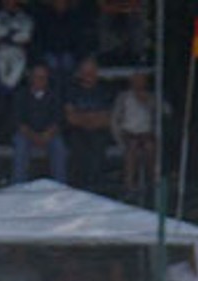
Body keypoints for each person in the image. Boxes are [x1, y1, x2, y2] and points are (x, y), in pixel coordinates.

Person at [62, 56, 115, 192]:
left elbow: (107, 118)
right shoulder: (71, 89)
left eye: (91, 72)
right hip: (76, 130)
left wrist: (84, 117)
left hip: (99, 130)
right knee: (77, 144)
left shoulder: (106, 88)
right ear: (79, 73)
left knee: (98, 145)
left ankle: (96, 187)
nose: (88, 75)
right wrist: (90, 117)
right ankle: (77, 187)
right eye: (85, 72)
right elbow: (70, 117)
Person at [11, 62, 67, 183]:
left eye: (43, 77)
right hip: (26, 134)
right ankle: (18, 185)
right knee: (20, 146)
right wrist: (34, 136)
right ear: (31, 78)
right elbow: (19, 121)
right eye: (37, 77)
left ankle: (60, 185)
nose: (40, 80)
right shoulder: (21, 95)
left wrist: (47, 135)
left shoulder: (54, 95)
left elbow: (58, 119)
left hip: (50, 134)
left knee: (59, 147)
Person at [111, 70, 160, 202]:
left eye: (141, 80)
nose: (138, 83)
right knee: (132, 147)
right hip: (128, 132)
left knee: (150, 147)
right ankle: (129, 185)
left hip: (146, 133)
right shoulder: (124, 97)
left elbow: (165, 111)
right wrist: (119, 137)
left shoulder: (151, 97)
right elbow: (115, 119)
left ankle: (153, 182)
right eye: (136, 80)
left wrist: (149, 102)